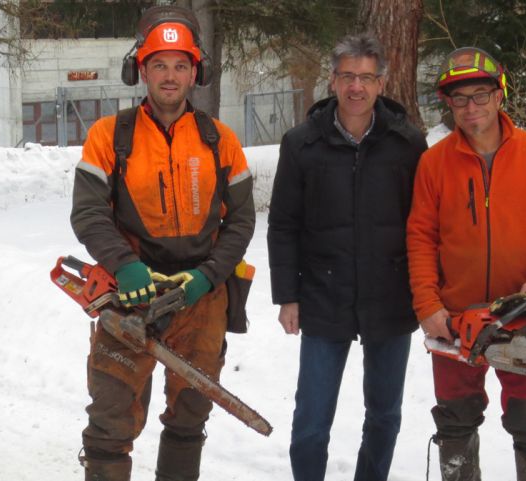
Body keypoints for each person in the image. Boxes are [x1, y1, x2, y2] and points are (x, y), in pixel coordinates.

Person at [70, 6, 255, 481]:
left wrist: (208, 276)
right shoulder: (110, 137)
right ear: (142, 70)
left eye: (179, 65)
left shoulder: (220, 140)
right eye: (159, 65)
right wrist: (124, 264)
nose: (170, 76)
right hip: (131, 295)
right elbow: (88, 213)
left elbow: (241, 221)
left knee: (190, 416)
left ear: (196, 72)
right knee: (110, 418)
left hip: (200, 299)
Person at [406, 47, 526, 481]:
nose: (471, 108)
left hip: (522, 314)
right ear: (448, 103)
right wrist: (429, 307)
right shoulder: (434, 163)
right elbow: (421, 238)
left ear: (499, 95)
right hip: (456, 317)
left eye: (480, 95)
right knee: (455, 420)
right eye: (460, 99)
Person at [267, 33, 427, 481]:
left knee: (384, 415)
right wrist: (288, 295)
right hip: (324, 295)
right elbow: (283, 225)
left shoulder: (408, 143)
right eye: (347, 76)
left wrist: (426, 293)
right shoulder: (301, 143)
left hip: (390, 296)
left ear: (381, 84)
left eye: (367, 77)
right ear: (333, 81)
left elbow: (425, 226)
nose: (357, 86)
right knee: (311, 421)